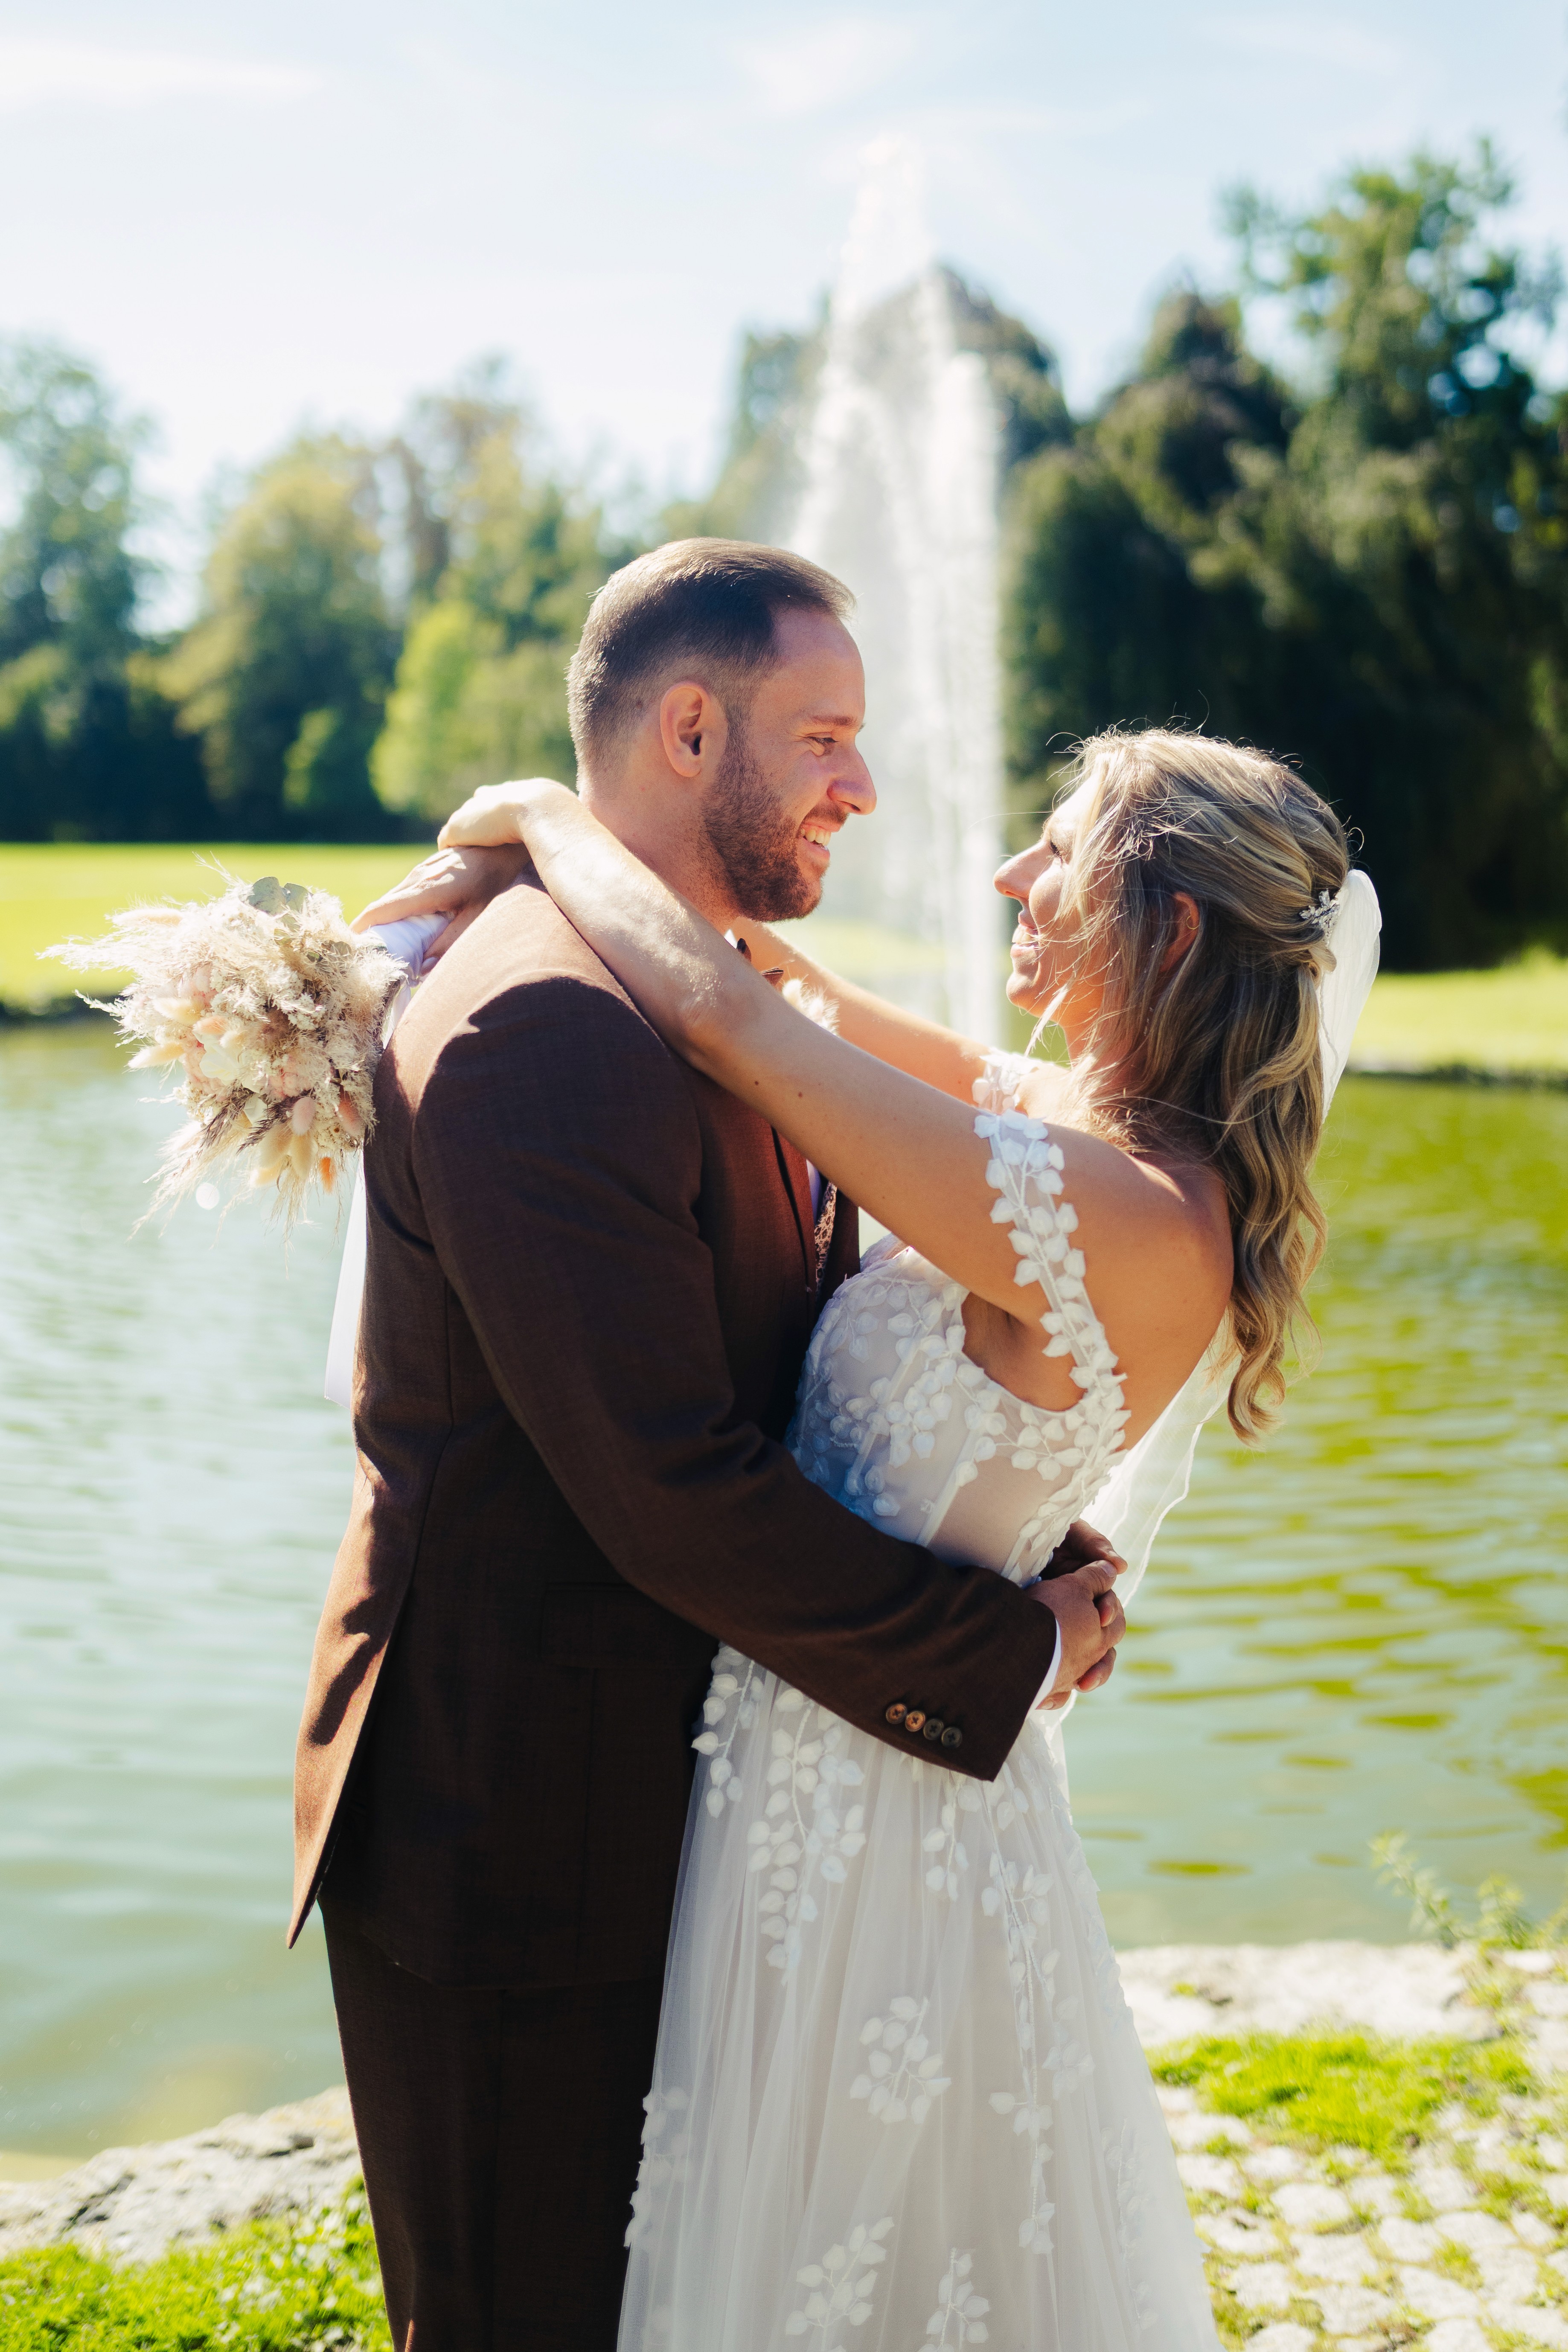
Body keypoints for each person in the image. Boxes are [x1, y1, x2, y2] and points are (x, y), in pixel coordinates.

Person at [367, 719, 1379, 2349]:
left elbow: (730, 1022)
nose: (1012, 871)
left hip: (875, 1828)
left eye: (1061, 849)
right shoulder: (1079, 1138)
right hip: (822, 1765)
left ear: (1170, 926)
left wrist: (555, 814)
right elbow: (799, 994)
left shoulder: (1107, 1208)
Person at [294, 540, 1126, 2352]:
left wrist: (994, 1513)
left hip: (682, 1809)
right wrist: (995, 1644)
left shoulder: (704, 990)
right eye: (823, 737)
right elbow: (671, 1486)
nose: (865, 785)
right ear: (687, 730)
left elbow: (784, 1370)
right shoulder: (545, 1023)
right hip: (525, 1834)